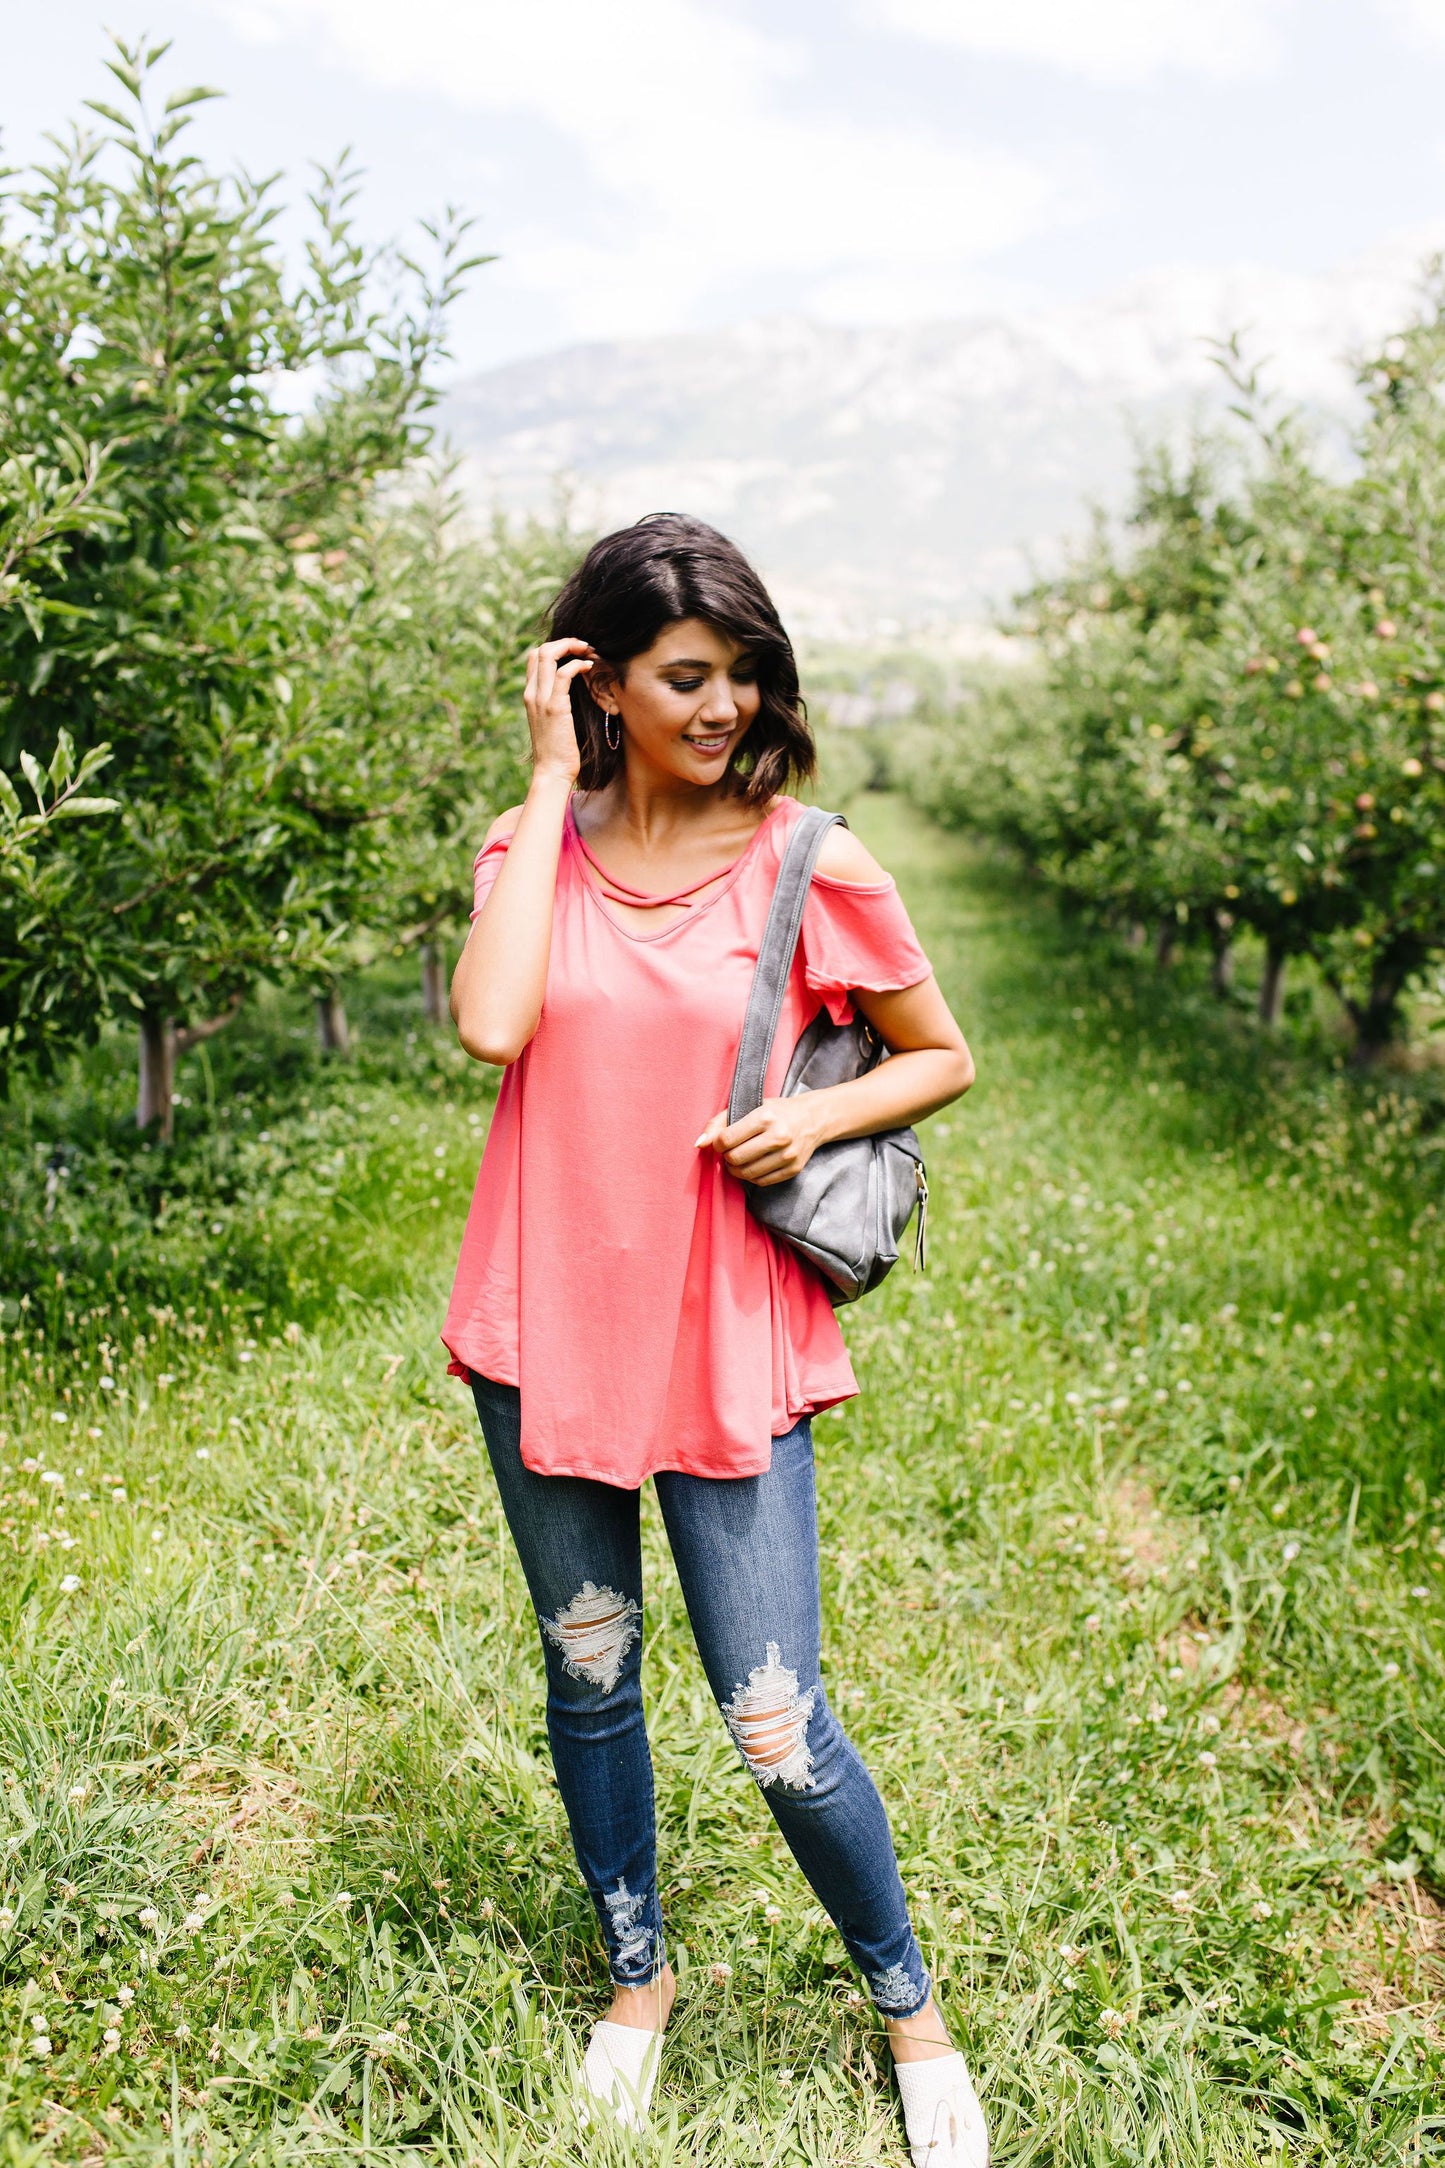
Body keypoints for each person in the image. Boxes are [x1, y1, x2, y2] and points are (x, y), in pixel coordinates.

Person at [444, 515, 984, 2165]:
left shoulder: (809, 858)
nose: (724, 703)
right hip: (549, 1319)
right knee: (590, 1667)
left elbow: (936, 1054)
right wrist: (548, 785)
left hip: (722, 1324)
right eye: (686, 673)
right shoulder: (524, 847)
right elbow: (491, 1023)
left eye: (744, 672)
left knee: (771, 1715)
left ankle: (909, 2014)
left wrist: (802, 1130)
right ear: (595, 682)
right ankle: (636, 1983)